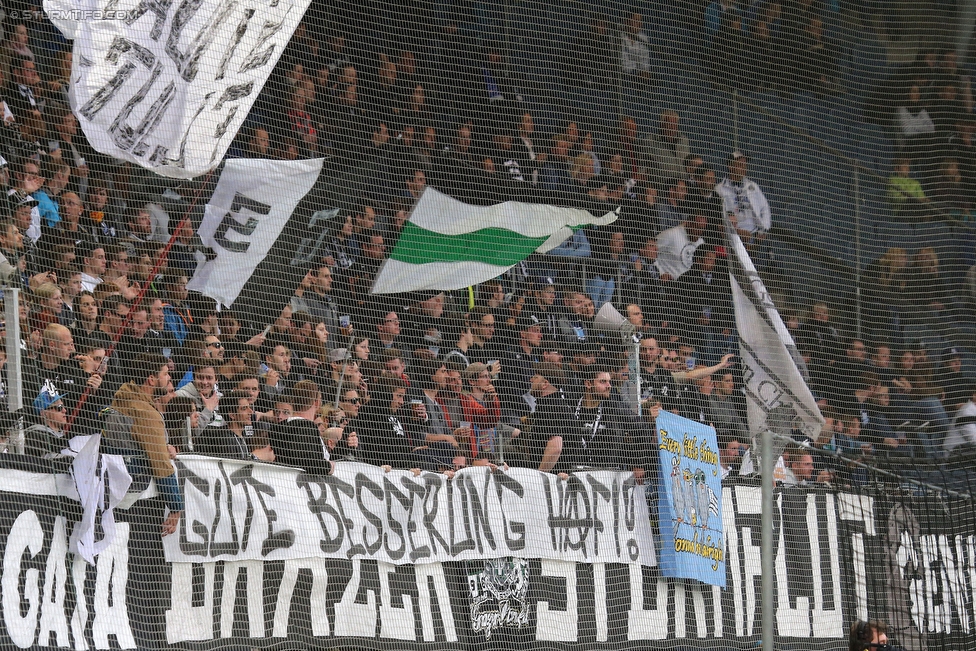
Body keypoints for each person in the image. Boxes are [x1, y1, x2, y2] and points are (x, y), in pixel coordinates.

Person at [110, 353, 181, 535]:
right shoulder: (144, 411)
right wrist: (175, 507)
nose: (169, 378)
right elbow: (161, 464)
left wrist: (163, 446)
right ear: (151, 379)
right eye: (165, 374)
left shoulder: (123, 396)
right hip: (133, 499)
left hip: (111, 488)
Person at [269, 379, 334, 475]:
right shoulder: (306, 427)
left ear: (293, 401)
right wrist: (328, 467)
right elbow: (307, 461)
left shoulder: (277, 429)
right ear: (317, 403)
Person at [195, 390, 275, 461]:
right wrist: (257, 456)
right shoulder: (226, 440)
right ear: (232, 415)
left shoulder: (241, 437)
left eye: (249, 407)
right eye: (244, 408)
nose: (250, 411)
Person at [715, 151, 771, 246]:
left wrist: (764, 229)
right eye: (740, 165)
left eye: (745, 165)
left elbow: (765, 207)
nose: (744, 168)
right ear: (730, 166)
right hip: (734, 237)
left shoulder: (752, 186)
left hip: (755, 236)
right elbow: (719, 217)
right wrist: (738, 232)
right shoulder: (720, 189)